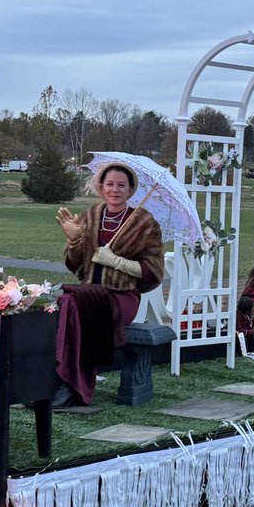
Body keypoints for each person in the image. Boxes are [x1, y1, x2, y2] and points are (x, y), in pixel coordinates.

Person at [52, 161, 165, 406]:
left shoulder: (144, 223)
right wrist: (74, 242)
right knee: (61, 301)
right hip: (88, 291)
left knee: (74, 305)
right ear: (101, 187)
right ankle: (60, 376)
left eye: (121, 185)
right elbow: (75, 265)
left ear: (131, 189)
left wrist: (116, 261)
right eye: (110, 184)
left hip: (122, 296)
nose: (115, 190)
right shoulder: (89, 217)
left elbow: (153, 271)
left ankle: (71, 386)